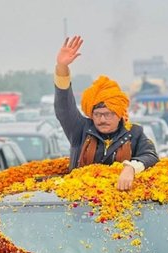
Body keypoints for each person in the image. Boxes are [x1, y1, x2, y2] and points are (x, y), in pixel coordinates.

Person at [54, 36, 159, 191]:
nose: (102, 119)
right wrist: (62, 67)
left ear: (119, 114)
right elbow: (63, 107)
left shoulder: (134, 133)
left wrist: (130, 168)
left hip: (122, 205)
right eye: (97, 114)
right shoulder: (80, 129)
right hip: (79, 205)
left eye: (108, 114)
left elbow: (150, 155)